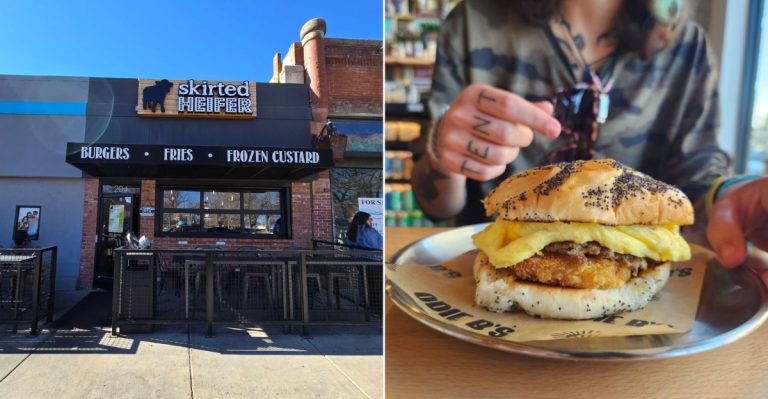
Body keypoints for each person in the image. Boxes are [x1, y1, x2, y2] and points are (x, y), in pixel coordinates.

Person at [410, 0, 767, 267]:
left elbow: (697, 181)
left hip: (645, 296)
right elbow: (435, 205)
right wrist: (446, 154)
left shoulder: (688, 47)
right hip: (481, 283)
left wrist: (733, 195)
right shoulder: (472, 22)